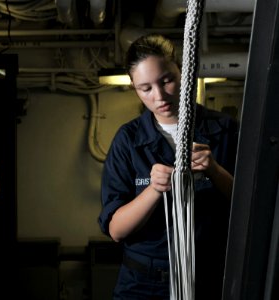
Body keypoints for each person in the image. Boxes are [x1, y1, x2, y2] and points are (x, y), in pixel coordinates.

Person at [98, 34, 239, 299]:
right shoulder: (128, 140)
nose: (159, 96)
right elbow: (116, 230)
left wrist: (215, 171)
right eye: (146, 88)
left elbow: (251, 208)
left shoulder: (226, 129)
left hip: (209, 279)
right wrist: (153, 190)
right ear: (134, 88)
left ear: (182, 72)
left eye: (167, 81)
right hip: (143, 284)